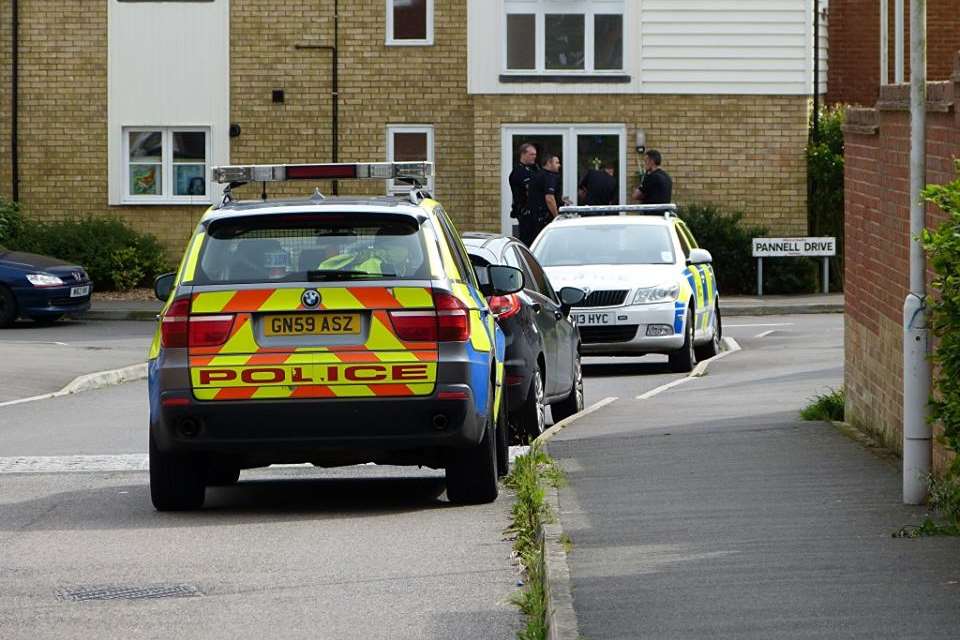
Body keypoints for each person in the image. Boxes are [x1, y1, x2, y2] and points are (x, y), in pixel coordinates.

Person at [523, 154, 562, 246]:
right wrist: (557, 217)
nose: (559, 165)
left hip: (533, 218)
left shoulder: (537, 175)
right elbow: (549, 198)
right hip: (544, 218)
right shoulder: (550, 176)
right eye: (557, 162)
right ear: (549, 163)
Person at [510, 143, 539, 242]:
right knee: (528, 242)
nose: (534, 157)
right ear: (523, 154)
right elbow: (530, 191)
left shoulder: (533, 169)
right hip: (526, 214)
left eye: (535, 154)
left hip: (534, 214)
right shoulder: (519, 172)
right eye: (531, 154)